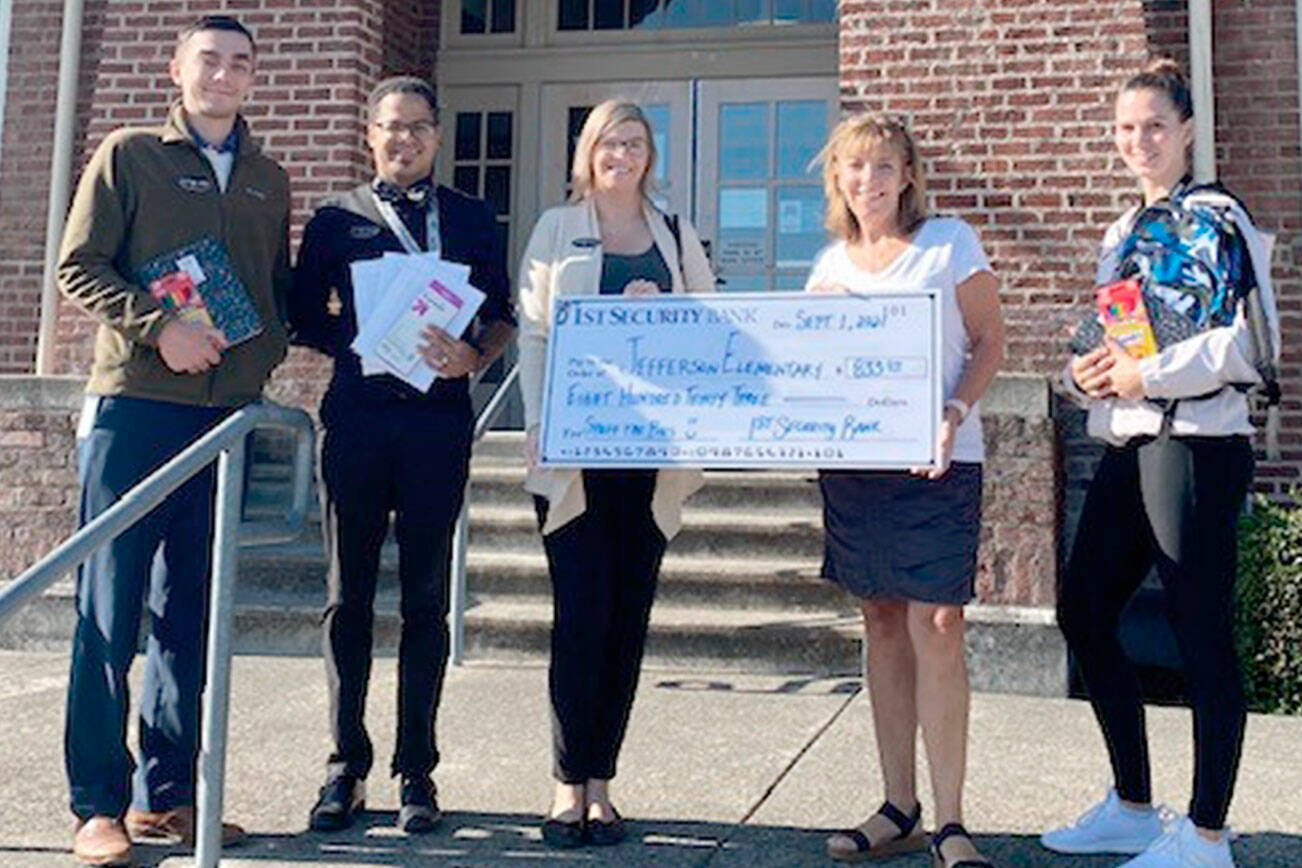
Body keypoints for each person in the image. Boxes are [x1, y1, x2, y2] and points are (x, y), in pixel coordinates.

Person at [56, 15, 290, 866]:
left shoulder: (268, 177)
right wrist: (162, 331)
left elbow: (272, 295)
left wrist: (275, 356)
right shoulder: (129, 155)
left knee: (187, 617)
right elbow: (78, 265)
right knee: (108, 613)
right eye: (209, 61)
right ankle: (96, 805)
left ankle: (169, 798)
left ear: (254, 80)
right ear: (177, 69)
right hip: (137, 410)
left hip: (223, 424)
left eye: (239, 65)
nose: (223, 76)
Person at [1041, 58, 1279, 868]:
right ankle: (1136, 806)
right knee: (1083, 610)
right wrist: (1084, 373)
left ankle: (1208, 835)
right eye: (1125, 128)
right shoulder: (1126, 233)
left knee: (1200, 631)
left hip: (1198, 447)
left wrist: (1152, 374)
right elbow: (1110, 340)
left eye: (1153, 126)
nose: (1138, 141)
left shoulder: (1219, 219)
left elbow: (1248, 345)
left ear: (1185, 133)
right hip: (1131, 441)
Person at [289, 75, 515, 835]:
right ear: (370, 134)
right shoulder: (334, 221)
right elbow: (302, 316)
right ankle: (344, 766)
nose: (404, 140)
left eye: (418, 128)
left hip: (436, 427)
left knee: (425, 600)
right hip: (355, 424)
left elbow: (503, 315)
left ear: (438, 136)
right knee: (347, 598)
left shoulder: (473, 218)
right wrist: (358, 344)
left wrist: (472, 357)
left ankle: (417, 770)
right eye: (391, 128)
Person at [516, 99, 715, 848]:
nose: (621, 155)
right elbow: (536, 334)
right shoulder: (553, 229)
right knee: (580, 616)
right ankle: (566, 782)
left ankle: (603, 783)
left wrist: (659, 309)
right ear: (588, 152)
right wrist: (537, 423)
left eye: (634, 143)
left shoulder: (674, 234)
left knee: (628, 618)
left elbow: (707, 327)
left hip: (650, 457)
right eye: (609, 143)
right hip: (576, 456)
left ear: (648, 155)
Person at [807, 113, 1005, 868]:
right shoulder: (828, 268)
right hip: (856, 469)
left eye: (884, 167)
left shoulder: (949, 244)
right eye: (855, 169)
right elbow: (810, 373)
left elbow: (990, 342)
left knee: (941, 622)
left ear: (909, 175)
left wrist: (953, 414)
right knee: (882, 621)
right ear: (838, 181)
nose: (870, 182)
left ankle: (953, 820)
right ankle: (899, 808)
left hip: (941, 459)